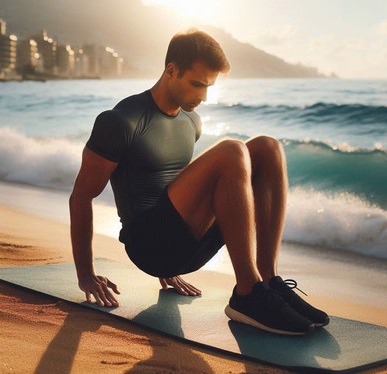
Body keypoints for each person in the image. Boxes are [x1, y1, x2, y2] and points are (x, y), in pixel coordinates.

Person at [70, 29, 329, 336]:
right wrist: (85, 274)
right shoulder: (120, 121)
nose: (203, 96)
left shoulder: (191, 121)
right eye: (197, 84)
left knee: (267, 148)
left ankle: (267, 281)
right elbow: (81, 196)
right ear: (171, 70)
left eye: (209, 87)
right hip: (148, 247)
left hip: (183, 248)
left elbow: (177, 188)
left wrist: (170, 270)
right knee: (231, 150)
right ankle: (247, 294)